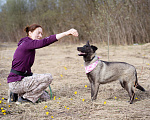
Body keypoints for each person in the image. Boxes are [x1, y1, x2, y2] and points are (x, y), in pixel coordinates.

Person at [7, 24, 78, 103]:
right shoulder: (27, 43)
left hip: (20, 79)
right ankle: (24, 99)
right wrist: (66, 33)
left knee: (46, 97)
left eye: (41, 34)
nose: (40, 36)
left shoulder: (26, 43)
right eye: (38, 33)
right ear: (30, 33)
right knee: (48, 77)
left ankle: (15, 95)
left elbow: (25, 69)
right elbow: (45, 41)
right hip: (16, 83)